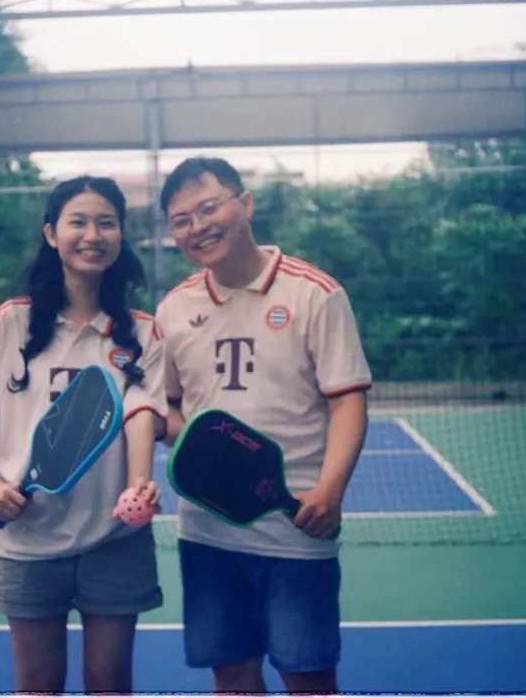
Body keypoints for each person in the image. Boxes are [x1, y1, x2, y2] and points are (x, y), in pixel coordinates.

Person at [155, 157, 372, 695]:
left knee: (308, 677)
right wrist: (202, 445)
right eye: (182, 220)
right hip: (206, 532)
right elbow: (167, 409)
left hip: (296, 527)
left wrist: (330, 491)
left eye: (209, 208)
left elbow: (348, 400)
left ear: (245, 204)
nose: (198, 226)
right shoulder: (173, 309)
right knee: (231, 678)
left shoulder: (315, 293)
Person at [0, 175, 167, 694]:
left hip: (115, 539)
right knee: (38, 685)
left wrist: (138, 484)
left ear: (120, 234)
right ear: (51, 233)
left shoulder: (143, 331)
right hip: (27, 541)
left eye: (106, 223)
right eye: (78, 222)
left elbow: (141, 412)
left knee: (109, 683)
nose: (93, 235)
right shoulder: (12, 323)